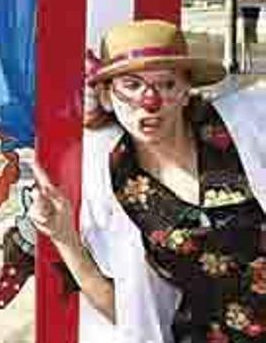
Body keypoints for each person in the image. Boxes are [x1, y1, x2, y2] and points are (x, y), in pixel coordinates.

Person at [30, 19, 266, 342]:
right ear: (107, 96)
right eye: (132, 85)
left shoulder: (245, 128)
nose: (150, 102)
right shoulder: (119, 183)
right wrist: (64, 239)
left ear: (186, 92)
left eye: (167, 85)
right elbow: (130, 315)